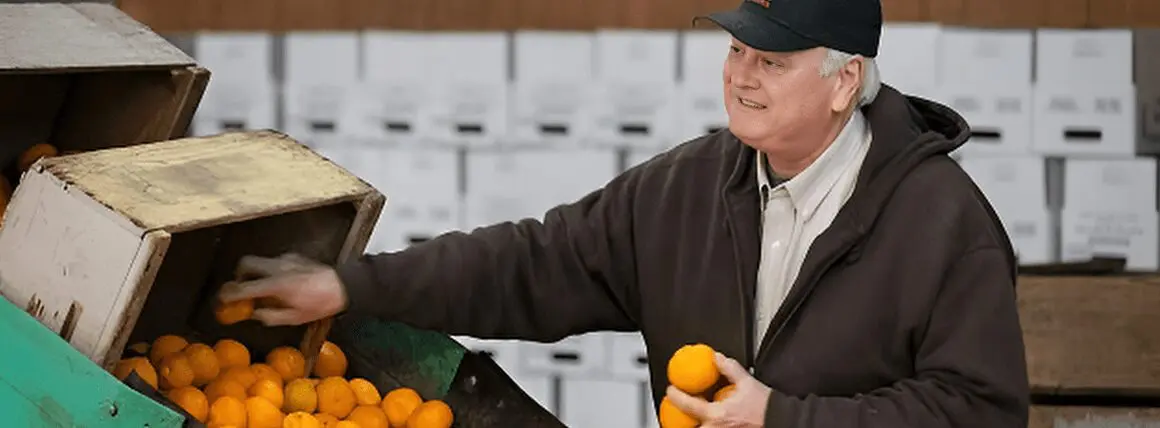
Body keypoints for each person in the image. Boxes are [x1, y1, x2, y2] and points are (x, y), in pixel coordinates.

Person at [219, 0, 1031, 426]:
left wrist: (782, 418)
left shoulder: (942, 224)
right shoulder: (681, 191)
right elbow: (531, 262)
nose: (741, 77)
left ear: (845, 81)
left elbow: (977, 411)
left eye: (772, 61)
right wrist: (351, 287)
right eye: (736, 50)